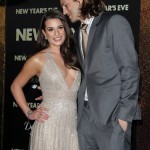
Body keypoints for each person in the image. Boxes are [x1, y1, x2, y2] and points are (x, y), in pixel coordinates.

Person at [59, 0, 141, 150]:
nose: (64, 11)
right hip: (85, 116)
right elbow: (87, 73)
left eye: (65, 5)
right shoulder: (79, 31)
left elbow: (130, 71)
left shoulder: (114, 23)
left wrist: (123, 117)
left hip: (112, 116)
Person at [10, 9, 81, 150]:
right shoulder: (38, 59)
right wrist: (29, 112)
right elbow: (15, 86)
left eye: (60, 28)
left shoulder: (74, 57)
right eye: (51, 29)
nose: (57, 33)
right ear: (44, 33)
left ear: (65, 29)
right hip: (48, 126)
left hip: (72, 127)